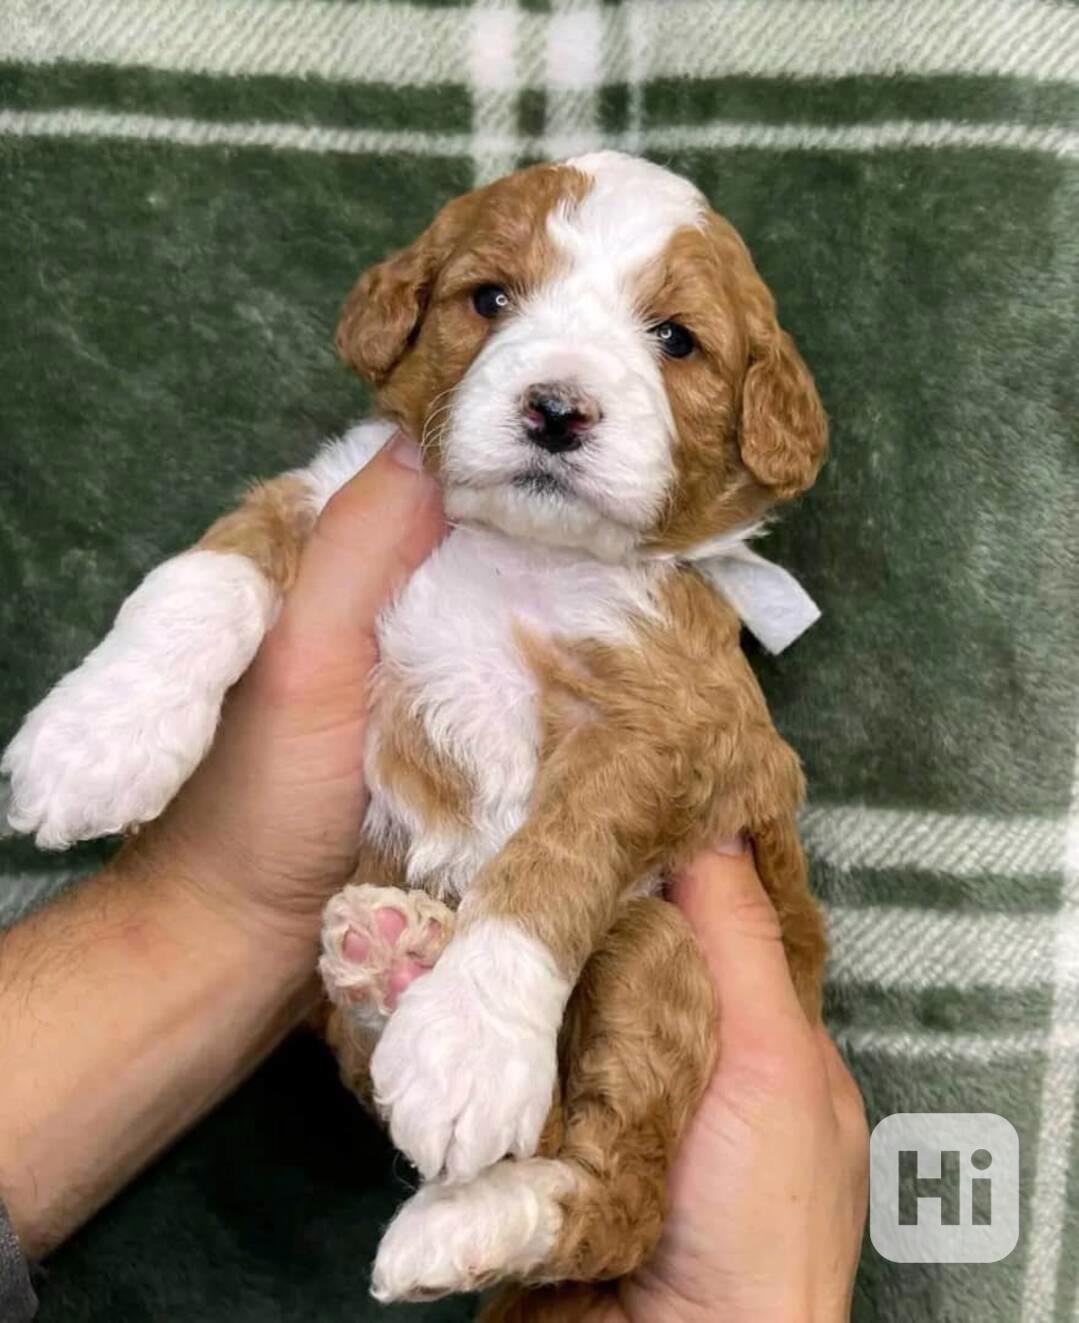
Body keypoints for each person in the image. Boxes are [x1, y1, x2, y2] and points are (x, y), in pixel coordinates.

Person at [0, 434, 868, 1322]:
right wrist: (140, 698)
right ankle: (416, 1032)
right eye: (490, 298)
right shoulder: (381, 485)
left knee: (652, 966)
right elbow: (270, 535)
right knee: (377, 949)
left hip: (605, 952)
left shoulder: (657, 597)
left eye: (675, 341)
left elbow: (640, 780)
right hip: (405, 949)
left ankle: (580, 1199)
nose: (560, 390)